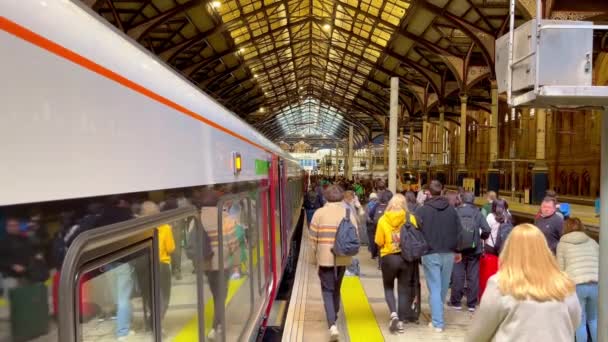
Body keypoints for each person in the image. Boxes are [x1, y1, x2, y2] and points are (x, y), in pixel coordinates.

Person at [467, 224, 581, 341]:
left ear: (509, 249)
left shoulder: (500, 283)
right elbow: (575, 321)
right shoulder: (564, 282)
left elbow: (482, 330)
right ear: (544, 249)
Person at [309, 185, 359, 341]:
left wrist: (315, 255)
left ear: (325, 197)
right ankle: (335, 316)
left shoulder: (319, 213)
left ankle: (332, 325)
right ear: (342, 198)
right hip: (342, 258)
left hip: (325, 259)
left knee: (327, 290)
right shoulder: (348, 213)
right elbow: (355, 235)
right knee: (336, 288)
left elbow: (312, 238)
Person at [415, 180, 462, 332]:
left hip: (430, 253)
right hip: (448, 253)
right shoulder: (452, 210)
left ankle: (437, 322)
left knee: (434, 287)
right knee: (442, 288)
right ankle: (438, 315)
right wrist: (458, 250)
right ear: (441, 191)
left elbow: (416, 230)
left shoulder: (422, 210)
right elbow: (459, 230)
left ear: (428, 192)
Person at [375, 194, 418, 334]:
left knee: (388, 287)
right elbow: (415, 237)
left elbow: (379, 241)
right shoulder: (410, 218)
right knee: (403, 289)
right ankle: (400, 321)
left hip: (388, 257)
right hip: (406, 258)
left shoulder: (383, 219)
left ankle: (393, 313)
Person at [557, 218, 599, 342]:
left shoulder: (562, 244)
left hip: (576, 285)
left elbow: (561, 269)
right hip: (596, 283)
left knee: (579, 322)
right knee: (594, 319)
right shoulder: (592, 242)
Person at [448, 192, 491, 312]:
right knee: (473, 276)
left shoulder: (456, 211)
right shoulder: (477, 212)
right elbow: (487, 229)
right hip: (474, 249)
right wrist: (480, 237)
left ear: (461, 200)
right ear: (473, 200)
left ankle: (456, 302)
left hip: (458, 249)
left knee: (458, 275)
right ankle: (471, 303)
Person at [140, 201, 175, 321]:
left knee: (150, 295)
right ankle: (158, 322)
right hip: (162, 265)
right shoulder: (165, 227)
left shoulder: (140, 229)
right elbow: (171, 248)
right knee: (164, 295)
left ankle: (152, 318)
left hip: (145, 265)